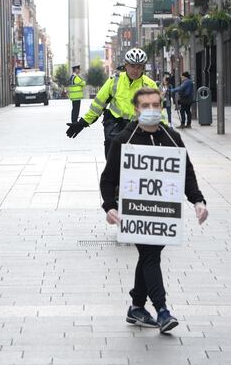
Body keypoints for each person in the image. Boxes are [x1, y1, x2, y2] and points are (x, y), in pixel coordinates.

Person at [99, 87, 208, 334]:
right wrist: (110, 207)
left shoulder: (172, 138)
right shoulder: (123, 140)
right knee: (150, 256)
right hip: (135, 212)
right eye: (145, 106)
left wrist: (198, 201)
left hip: (164, 212)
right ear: (136, 110)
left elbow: (186, 173)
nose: (151, 110)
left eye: (155, 105)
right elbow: (107, 179)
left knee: (148, 257)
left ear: (162, 107)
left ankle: (137, 306)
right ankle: (162, 311)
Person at [65, 47, 159, 155]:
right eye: (132, 66)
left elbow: (157, 111)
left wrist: (163, 132)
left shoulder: (150, 85)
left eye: (139, 67)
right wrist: (83, 123)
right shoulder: (115, 80)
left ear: (143, 68)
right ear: (126, 65)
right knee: (112, 146)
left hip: (139, 126)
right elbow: (98, 104)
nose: (135, 70)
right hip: (116, 123)